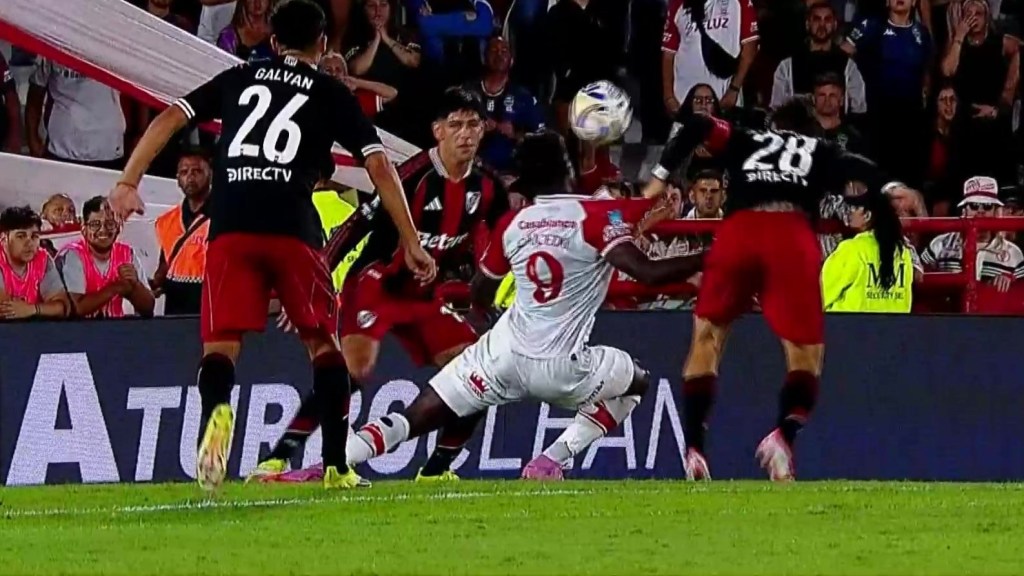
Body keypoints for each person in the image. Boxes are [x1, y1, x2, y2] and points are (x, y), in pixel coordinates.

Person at [108, 0, 435, 492]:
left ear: (274, 42)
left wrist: (128, 181)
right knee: (322, 344)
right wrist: (410, 240)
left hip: (231, 224)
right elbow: (379, 165)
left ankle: (217, 415)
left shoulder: (238, 77)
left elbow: (171, 117)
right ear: (321, 43)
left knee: (221, 344)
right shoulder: (329, 91)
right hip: (292, 226)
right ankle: (335, 465)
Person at [340, 131, 704, 480]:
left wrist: (477, 308)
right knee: (636, 381)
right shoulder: (596, 215)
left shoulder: (513, 223)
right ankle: (551, 460)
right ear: (568, 168)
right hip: (561, 368)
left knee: (412, 418)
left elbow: (481, 292)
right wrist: (708, 257)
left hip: (502, 357)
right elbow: (647, 271)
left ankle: (333, 461)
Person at [252, 87, 507, 484]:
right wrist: (313, 283)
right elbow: (355, 227)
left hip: (426, 295)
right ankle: (278, 457)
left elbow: (505, 240)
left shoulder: (489, 187)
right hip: (377, 284)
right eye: (455, 124)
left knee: (479, 375)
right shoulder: (412, 176)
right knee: (354, 371)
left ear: (484, 128)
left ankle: (436, 470)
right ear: (437, 131)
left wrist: (475, 289)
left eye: (473, 124)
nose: (465, 134)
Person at [643, 97, 895, 481]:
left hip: (740, 231)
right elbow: (865, 172)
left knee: (707, 337)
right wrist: (875, 191)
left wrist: (659, 178)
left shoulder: (747, 138)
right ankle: (782, 437)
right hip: (791, 235)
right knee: (805, 357)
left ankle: (694, 448)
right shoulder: (822, 149)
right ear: (811, 129)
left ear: (773, 127)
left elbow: (697, 124)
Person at [821, 186, 915, 313]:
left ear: (867, 215)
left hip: (850, 324)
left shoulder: (851, 249)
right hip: (896, 325)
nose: (850, 212)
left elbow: (821, 296)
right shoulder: (903, 252)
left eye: (855, 208)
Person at [59, 197, 155, 318]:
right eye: (95, 224)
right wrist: (116, 287)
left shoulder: (127, 253)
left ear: (118, 228)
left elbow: (148, 309)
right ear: (83, 228)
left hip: (116, 327)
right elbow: (77, 308)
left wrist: (136, 285)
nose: (103, 230)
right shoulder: (73, 254)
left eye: (110, 224)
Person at [151, 149, 213, 316]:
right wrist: (151, 284)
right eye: (184, 172)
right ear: (178, 179)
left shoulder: (227, 215)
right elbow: (166, 262)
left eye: (197, 171)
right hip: (176, 303)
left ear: (210, 174)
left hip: (213, 298)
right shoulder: (167, 220)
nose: (190, 177)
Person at [0, 207, 69, 320]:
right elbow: (4, 311)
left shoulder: (42, 259)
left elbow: (62, 307)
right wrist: (43, 310)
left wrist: (32, 309)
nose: (30, 243)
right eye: (21, 236)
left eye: (34, 236)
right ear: (3, 239)